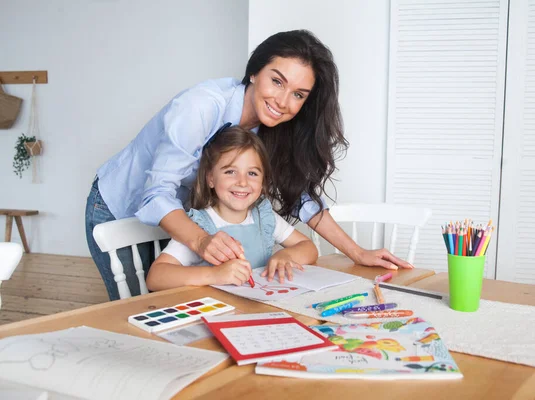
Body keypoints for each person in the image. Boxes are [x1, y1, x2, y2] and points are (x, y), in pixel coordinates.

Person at [85, 29, 412, 301]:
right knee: (141, 308)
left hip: (182, 217)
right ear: (254, 71)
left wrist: (357, 253)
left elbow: (302, 198)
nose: (284, 102)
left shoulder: (272, 131)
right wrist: (201, 240)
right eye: (278, 81)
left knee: (183, 301)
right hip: (121, 206)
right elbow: (156, 195)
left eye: (299, 95)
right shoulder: (200, 107)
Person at [146, 125, 318, 291]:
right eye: (230, 172)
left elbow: (308, 248)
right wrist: (214, 275)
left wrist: (286, 256)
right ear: (211, 179)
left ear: (263, 182)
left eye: (252, 173)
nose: (242, 182)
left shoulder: (265, 217)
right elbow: (156, 277)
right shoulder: (198, 227)